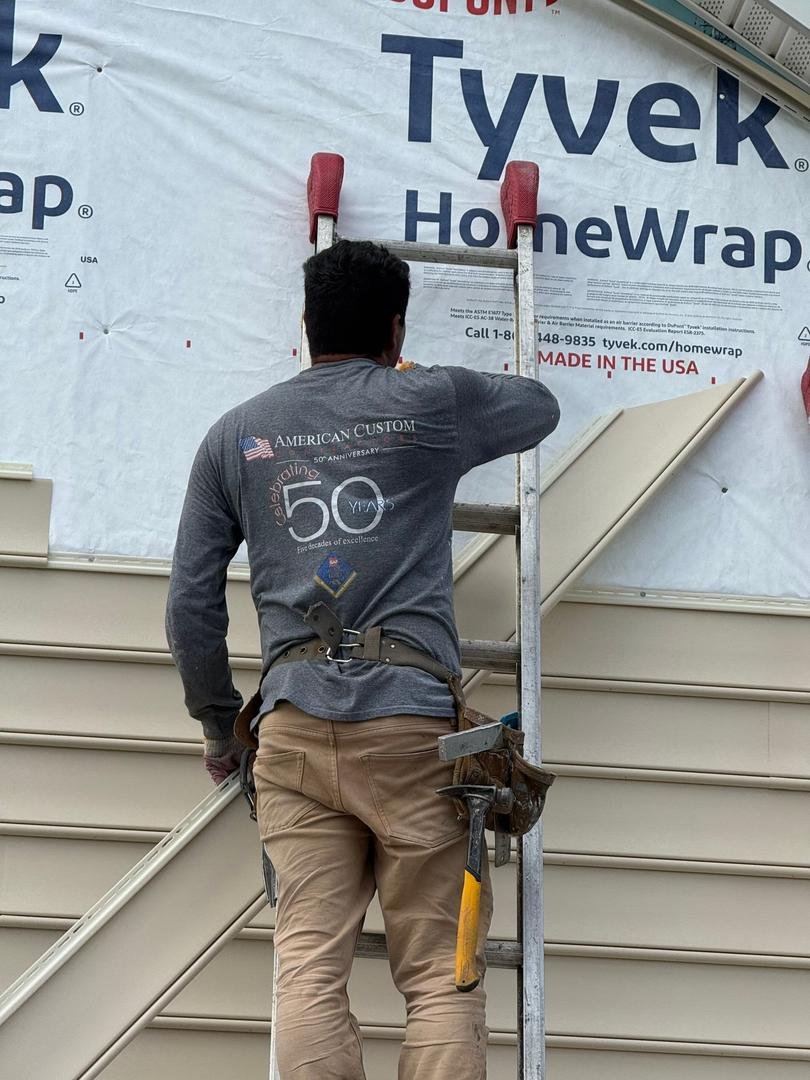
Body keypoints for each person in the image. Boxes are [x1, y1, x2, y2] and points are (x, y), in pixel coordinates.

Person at [165, 238, 560, 1079]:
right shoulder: (429, 401)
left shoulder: (234, 436)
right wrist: (412, 379)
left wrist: (219, 730)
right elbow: (538, 407)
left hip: (294, 733)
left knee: (309, 967)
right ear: (395, 328)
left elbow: (190, 607)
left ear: (306, 324)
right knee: (441, 972)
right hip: (414, 733)